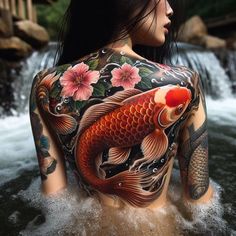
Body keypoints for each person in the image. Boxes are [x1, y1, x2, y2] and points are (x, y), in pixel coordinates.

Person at [29, 0, 213, 213]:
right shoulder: (185, 83)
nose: (170, 9)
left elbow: (54, 198)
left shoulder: (45, 84)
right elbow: (199, 199)